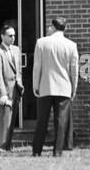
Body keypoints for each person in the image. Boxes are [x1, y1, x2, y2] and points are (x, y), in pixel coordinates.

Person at [31, 16, 79, 156]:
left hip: (45, 86)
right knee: (61, 122)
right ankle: (57, 152)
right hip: (64, 87)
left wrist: (35, 85)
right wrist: (73, 89)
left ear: (52, 27)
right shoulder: (71, 45)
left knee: (42, 121)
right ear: (66, 28)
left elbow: (37, 67)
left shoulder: (41, 43)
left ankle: (36, 151)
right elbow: (74, 71)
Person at [0, 21, 22, 155]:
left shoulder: (16, 49)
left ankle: (7, 148)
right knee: (3, 122)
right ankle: (1, 149)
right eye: (10, 35)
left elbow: (18, 70)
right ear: (2, 36)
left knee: (11, 123)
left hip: (15, 90)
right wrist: (2, 94)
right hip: (4, 91)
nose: (13, 38)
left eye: (14, 35)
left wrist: (20, 83)